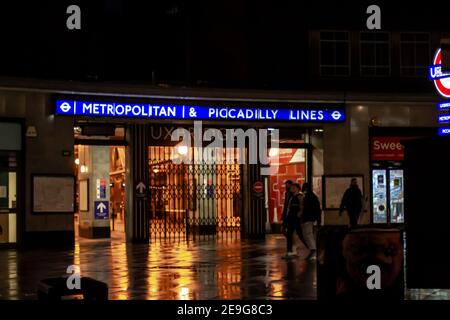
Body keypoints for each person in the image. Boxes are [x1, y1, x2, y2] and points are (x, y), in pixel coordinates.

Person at [282, 183, 307, 258]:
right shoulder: (292, 197)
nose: (292, 188)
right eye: (291, 187)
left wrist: (299, 214)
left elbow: (302, 206)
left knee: (301, 234)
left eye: (294, 187)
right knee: (289, 234)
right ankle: (289, 251)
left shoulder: (300, 196)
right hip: (290, 218)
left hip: (296, 219)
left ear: (298, 188)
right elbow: (288, 208)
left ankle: (312, 248)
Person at [301, 182, 321, 260]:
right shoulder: (312, 196)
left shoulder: (308, 197)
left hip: (308, 218)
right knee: (308, 234)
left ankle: (313, 250)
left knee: (308, 234)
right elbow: (317, 209)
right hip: (310, 218)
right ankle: (313, 250)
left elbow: (308, 209)